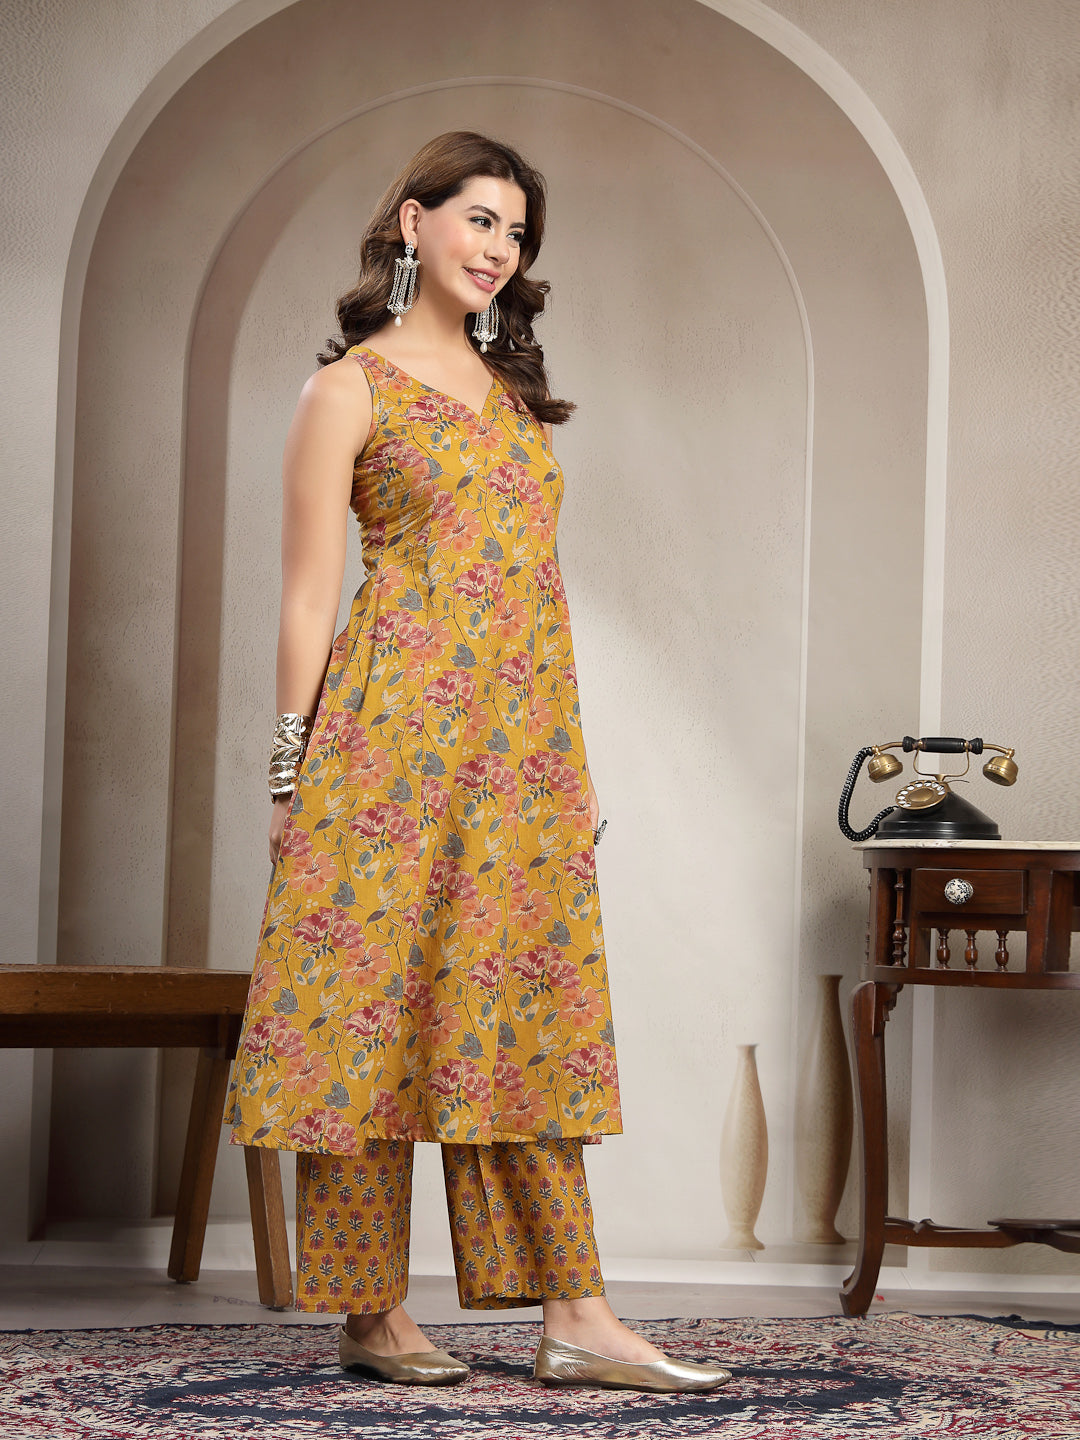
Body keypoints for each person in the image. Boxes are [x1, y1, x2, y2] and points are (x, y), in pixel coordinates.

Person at [227, 131, 730, 1394]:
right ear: (414, 222)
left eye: (516, 232)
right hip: (384, 748)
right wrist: (289, 775)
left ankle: (576, 1313)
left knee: (525, 1020)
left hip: (518, 758)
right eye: (480, 219)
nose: (499, 248)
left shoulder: (512, 400)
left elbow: (537, 597)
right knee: (363, 1017)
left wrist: (573, 760)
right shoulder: (348, 391)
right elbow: (307, 599)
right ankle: (374, 1313)